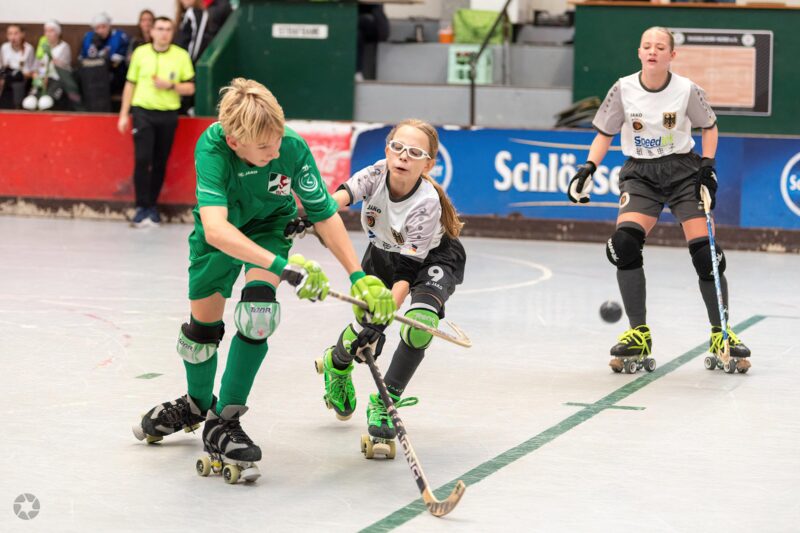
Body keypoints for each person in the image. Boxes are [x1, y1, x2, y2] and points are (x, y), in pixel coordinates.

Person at [131, 78, 397, 483]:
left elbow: (323, 213)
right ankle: (196, 403)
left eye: (277, 141)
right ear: (234, 141)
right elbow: (216, 229)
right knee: (201, 335)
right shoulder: (213, 149)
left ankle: (224, 420)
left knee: (259, 315)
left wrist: (358, 276)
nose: (276, 152)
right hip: (221, 235)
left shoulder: (290, 146)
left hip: (270, 227)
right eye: (264, 148)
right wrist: (283, 267)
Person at [566, 26, 751, 372]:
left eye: (660, 47)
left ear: (672, 55)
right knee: (624, 245)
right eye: (647, 46)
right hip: (640, 175)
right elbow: (604, 133)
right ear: (639, 52)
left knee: (706, 256)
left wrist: (707, 168)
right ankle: (638, 333)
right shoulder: (623, 89)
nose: (653, 51)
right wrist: (587, 168)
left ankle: (721, 333)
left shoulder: (686, 89)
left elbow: (709, 126)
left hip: (683, 172)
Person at [287, 119, 467, 450]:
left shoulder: (426, 202)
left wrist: (384, 316)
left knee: (420, 325)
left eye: (415, 153)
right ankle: (336, 364)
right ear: (387, 150)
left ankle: (386, 403)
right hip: (383, 254)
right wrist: (309, 216)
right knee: (365, 335)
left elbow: (407, 271)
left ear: (428, 165)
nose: (404, 156)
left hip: (433, 259)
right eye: (398, 147)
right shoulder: (375, 174)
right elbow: (337, 199)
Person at [118, 16, 195, 227]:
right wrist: (124, 114)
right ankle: (140, 206)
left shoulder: (181, 55)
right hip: (143, 112)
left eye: (168, 29)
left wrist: (170, 85)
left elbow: (190, 88)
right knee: (143, 159)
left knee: (160, 161)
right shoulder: (140, 53)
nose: (164, 33)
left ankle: (152, 206)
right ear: (151, 31)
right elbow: (130, 84)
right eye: (160, 29)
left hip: (168, 114)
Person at [79, 12, 130, 109]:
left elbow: (115, 63)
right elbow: (83, 60)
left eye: (104, 27)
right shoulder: (89, 38)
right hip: (92, 75)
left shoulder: (119, 37)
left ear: (109, 26)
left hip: (113, 74)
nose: (101, 30)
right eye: (98, 28)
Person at [24, 20, 72, 111]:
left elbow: (63, 67)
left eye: (51, 31)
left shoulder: (64, 47)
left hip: (57, 80)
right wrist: (37, 77)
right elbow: (35, 67)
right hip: (41, 80)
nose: (48, 34)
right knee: (30, 102)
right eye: (46, 31)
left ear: (58, 33)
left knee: (45, 102)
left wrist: (50, 55)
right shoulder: (42, 46)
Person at [0, 24, 35, 109]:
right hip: (7, 76)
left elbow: (30, 71)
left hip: (22, 78)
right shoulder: (4, 47)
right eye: (10, 34)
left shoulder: (28, 48)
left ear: (22, 34)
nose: (13, 37)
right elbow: (3, 67)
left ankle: (17, 107)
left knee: (17, 83)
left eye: (16, 33)